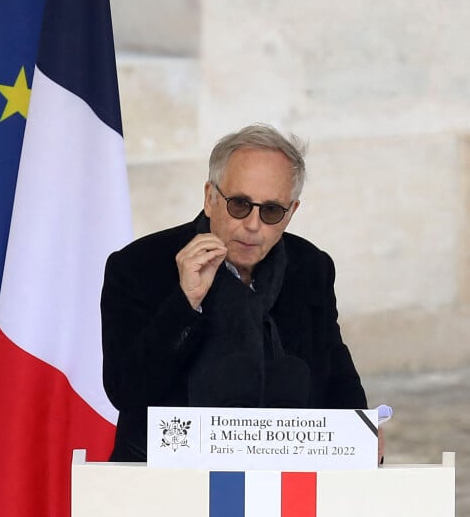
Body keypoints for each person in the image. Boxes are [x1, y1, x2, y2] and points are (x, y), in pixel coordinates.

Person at [101, 123, 378, 462]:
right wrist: (185, 304)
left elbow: (334, 370)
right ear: (210, 198)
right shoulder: (139, 265)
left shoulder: (309, 267)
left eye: (272, 210)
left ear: (291, 213)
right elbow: (126, 391)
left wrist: (361, 434)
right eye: (240, 204)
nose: (252, 225)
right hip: (168, 475)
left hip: (286, 472)